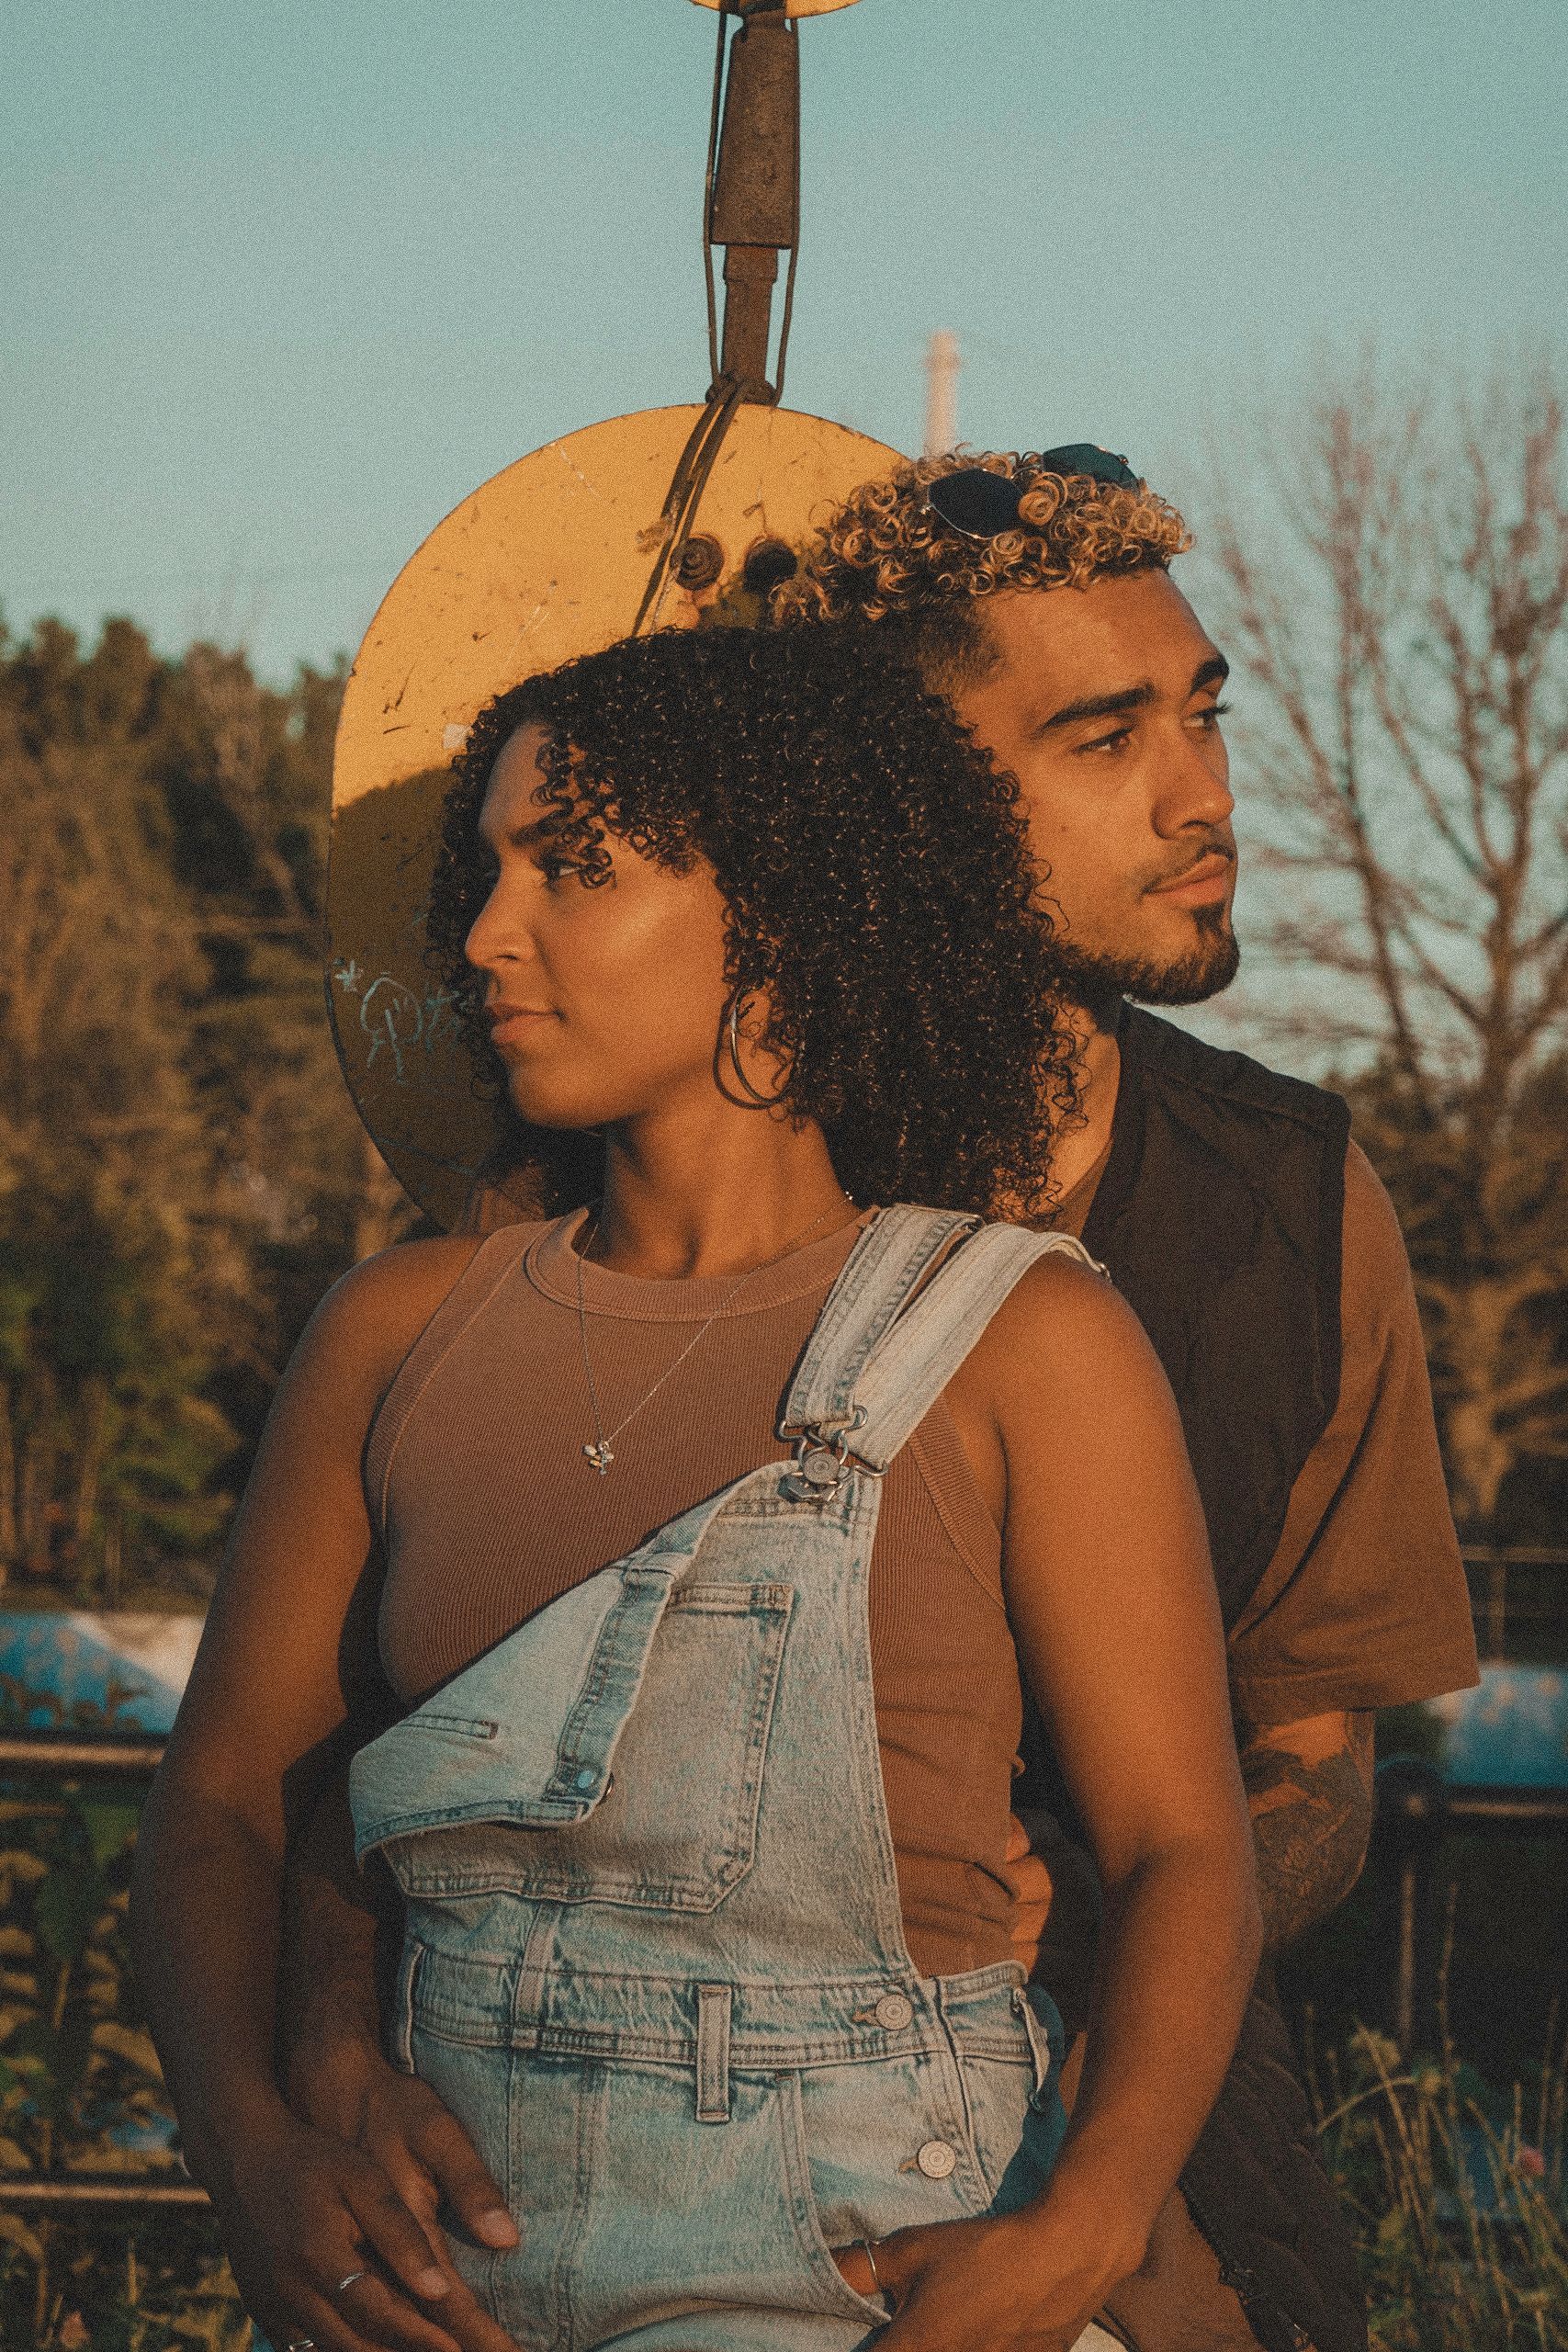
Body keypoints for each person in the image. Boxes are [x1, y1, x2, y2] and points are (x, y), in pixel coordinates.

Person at [271, 447, 1479, 2352]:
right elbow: (363, 1750)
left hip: (1104, 2160)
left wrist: (1064, 1938)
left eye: (1198, 713)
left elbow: (1313, 1750)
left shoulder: (1293, 1203)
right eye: (1099, 738)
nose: (1200, 793)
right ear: (891, 793)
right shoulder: (589, 1198)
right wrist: (327, 2072)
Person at [131, 622, 1262, 2352]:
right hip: (444, 2282)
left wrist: (1084, 2231)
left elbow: (1188, 1849)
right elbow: (222, 1804)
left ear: (786, 912)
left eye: (572, 868)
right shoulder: (392, 1333)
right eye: (489, 870)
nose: (492, 932)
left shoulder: (1018, 1337)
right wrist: (260, 2147)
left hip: (880, 2265)